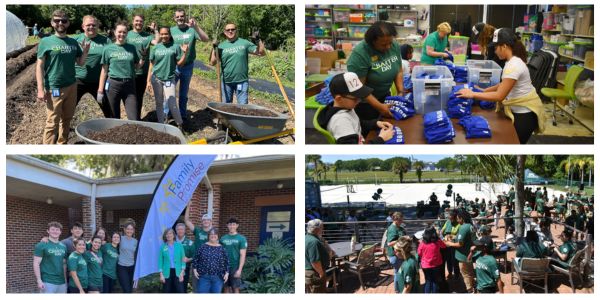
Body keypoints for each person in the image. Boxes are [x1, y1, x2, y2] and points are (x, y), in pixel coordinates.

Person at [456, 28, 546, 144]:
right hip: (520, 112)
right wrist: (486, 90)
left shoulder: (513, 65)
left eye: (496, 47)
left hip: (524, 115)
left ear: (504, 46)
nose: (495, 51)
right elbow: (505, 83)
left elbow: (500, 96)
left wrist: (472, 94)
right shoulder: (512, 61)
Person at [36, 9, 90, 144]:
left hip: (71, 86)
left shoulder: (72, 42)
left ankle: (62, 143)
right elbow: (39, 66)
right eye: (57, 20)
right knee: (52, 121)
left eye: (64, 21)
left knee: (67, 119)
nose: (60, 23)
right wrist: (40, 89)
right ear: (52, 23)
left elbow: (81, 63)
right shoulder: (46, 42)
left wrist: (85, 52)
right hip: (54, 87)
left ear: (68, 23)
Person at [347, 21, 404, 120]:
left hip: (385, 96)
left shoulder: (393, 45)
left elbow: (398, 70)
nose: (388, 47)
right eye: (383, 45)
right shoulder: (360, 54)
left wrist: (400, 92)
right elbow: (359, 87)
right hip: (366, 103)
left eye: (390, 43)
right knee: (372, 132)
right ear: (372, 42)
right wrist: (379, 106)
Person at [316, 72, 394, 144]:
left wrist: (376, 123)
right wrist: (381, 139)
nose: (359, 100)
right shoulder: (341, 122)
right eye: (355, 98)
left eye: (360, 97)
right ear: (339, 99)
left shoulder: (346, 106)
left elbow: (357, 123)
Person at [98, 21, 146, 120]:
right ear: (114, 32)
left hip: (129, 85)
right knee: (114, 117)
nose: (122, 34)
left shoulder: (131, 48)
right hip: (113, 85)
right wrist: (100, 90)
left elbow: (136, 67)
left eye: (124, 32)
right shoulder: (108, 49)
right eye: (119, 32)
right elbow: (104, 71)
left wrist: (143, 58)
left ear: (127, 33)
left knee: (134, 118)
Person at [210, 22, 265, 104]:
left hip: (241, 81)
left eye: (232, 29)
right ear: (225, 32)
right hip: (226, 82)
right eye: (228, 30)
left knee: (243, 107)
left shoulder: (244, 43)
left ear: (236, 31)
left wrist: (258, 40)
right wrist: (214, 48)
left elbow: (261, 53)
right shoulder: (221, 46)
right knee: (226, 107)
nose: (230, 31)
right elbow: (212, 62)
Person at [171, 8, 210, 122]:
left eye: (182, 16)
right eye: (177, 16)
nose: (180, 18)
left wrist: (196, 26)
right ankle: (167, 114)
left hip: (188, 66)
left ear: (185, 17)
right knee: (170, 92)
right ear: (174, 18)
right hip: (174, 66)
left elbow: (206, 39)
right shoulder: (172, 30)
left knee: (183, 93)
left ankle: (183, 115)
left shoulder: (192, 30)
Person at [147, 26, 188, 129]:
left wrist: (185, 53)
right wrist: (148, 81)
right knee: (159, 103)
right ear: (159, 35)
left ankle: (180, 124)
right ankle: (161, 125)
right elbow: (151, 65)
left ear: (170, 35)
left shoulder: (175, 46)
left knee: (172, 104)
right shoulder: (156, 47)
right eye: (162, 34)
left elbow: (180, 64)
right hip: (156, 79)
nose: (164, 36)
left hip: (169, 79)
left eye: (166, 34)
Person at [74, 15, 113, 117]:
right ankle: (61, 131)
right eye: (88, 25)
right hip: (78, 80)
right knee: (68, 110)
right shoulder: (76, 40)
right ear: (83, 26)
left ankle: (113, 128)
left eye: (94, 25)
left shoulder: (106, 41)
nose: (91, 27)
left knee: (108, 110)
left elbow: (111, 60)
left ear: (98, 26)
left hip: (98, 82)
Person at [126, 14, 158, 119]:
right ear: (133, 22)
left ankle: (137, 118)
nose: (138, 23)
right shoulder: (127, 35)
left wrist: (156, 31)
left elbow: (157, 42)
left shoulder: (147, 36)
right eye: (137, 21)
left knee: (139, 97)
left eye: (140, 21)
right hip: (128, 72)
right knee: (129, 97)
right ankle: (131, 118)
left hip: (142, 73)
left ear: (143, 23)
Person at [445, 209, 476, 293]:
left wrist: (449, 243)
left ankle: (470, 290)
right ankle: (473, 286)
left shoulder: (463, 228)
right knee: (470, 272)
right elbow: (467, 238)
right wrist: (454, 237)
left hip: (463, 256)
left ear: (462, 218)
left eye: (458, 218)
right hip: (469, 254)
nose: (457, 220)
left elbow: (460, 244)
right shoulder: (470, 226)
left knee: (465, 274)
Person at [184, 202, 213, 292]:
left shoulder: (213, 233)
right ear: (202, 221)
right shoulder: (198, 231)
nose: (206, 221)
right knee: (196, 286)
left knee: (207, 286)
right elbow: (187, 221)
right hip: (197, 262)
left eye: (207, 220)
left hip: (209, 263)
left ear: (210, 221)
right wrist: (188, 207)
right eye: (204, 220)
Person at [33, 222, 68, 293]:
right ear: (48, 231)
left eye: (57, 230)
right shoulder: (41, 245)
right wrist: (39, 280)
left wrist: (65, 280)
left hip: (61, 281)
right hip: (47, 281)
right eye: (53, 229)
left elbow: (64, 264)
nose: (55, 231)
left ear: (60, 232)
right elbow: (36, 263)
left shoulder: (63, 246)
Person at [193, 228, 229, 293]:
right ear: (208, 236)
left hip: (218, 277)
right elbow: (196, 258)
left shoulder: (222, 248)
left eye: (215, 234)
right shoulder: (203, 247)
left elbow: (227, 261)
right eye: (211, 234)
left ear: (218, 236)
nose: (213, 235)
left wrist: (227, 273)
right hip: (204, 277)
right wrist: (195, 270)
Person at [220, 218, 247, 293]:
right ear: (227, 226)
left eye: (233, 224)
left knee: (235, 288)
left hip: (235, 267)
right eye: (230, 224)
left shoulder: (241, 238)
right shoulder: (223, 238)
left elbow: (243, 255)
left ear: (237, 225)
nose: (231, 226)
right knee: (225, 288)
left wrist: (239, 270)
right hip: (224, 267)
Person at [305, 219, 330, 293]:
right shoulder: (314, 242)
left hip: (307, 273)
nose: (323, 230)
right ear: (316, 229)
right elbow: (315, 262)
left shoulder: (306, 238)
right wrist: (321, 273)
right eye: (322, 228)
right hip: (314, 274)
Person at [418, 226, 446, 293]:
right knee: (435, 281)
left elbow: (419, 253)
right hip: (436, 265)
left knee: (428, 281)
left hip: (425, 265)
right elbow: (444, 246)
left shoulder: (422, 243)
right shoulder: (437, 241)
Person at [158, 228, 185, 293]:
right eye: (167, 234)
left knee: (180, 291)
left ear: (173, 235)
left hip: (178, 272)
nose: (168, 235)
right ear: (165, 236)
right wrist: (161, 274)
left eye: (170, 233)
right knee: (166, 291)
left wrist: (182, 272)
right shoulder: (163, 247)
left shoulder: (179, 245)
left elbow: (183, 259)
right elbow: (160, 261)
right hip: (166, 272)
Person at [386, 212, 406, 293]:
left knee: (398, 271)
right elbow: (389, 243)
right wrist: (401, 239)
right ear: (395, 219)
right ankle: (398, 290)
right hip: (395, 255)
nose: (402, 221)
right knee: (398, 272)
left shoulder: (398, 227)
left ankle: (399, 288)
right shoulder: (392, 229)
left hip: (400, 254)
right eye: (400, 220)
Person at [117, 222, 138, 293]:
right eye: (128, 229)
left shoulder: (136, 241)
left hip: (132, 267)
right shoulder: (120, 239)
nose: (129, 231)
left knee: (130, 289)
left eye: (131, 229)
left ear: (134, 230)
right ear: (124, 230)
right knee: (127, 289)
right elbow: (113, 244)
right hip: (122, 266)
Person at [440, 209, 460, 279]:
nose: (450, 220)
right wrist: (443, 238)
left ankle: (457, 274)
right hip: (447, 245)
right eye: (449, 218)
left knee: (455, 260)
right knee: (448, 259)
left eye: (452, 219)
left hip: (454, 245)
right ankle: (450, 272)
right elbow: (441, 232)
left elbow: (460, 235)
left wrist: (453, 237)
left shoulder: (459, 224)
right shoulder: (448, 222)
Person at [175, 223, 194, 292]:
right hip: (172, 269)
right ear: (176, 231)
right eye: (178, 229)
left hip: (184, 269)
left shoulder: (190, 243)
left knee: (182, 289)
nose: (180, 231)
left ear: (184, 230)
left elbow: (195, 256)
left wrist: (188, 259)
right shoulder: (171, 242)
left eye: (182, 229)